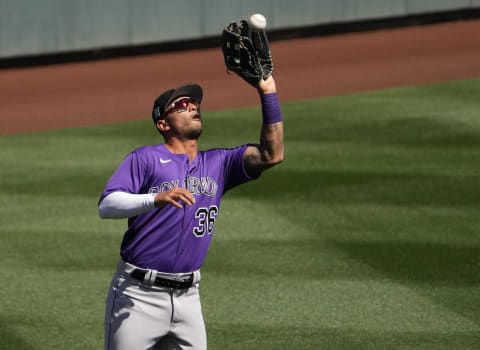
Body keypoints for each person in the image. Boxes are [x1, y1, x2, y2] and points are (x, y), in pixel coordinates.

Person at [98, 75, 283, 349]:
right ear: (163, 123)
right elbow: (107, 205)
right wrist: (155, 199)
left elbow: (273, 154)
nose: (193, 106)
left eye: (194, 103)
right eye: (182, 104)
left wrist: (268, 90)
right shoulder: (146, 158)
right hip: (138, 296)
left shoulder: (219, 163)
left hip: (188, 299)